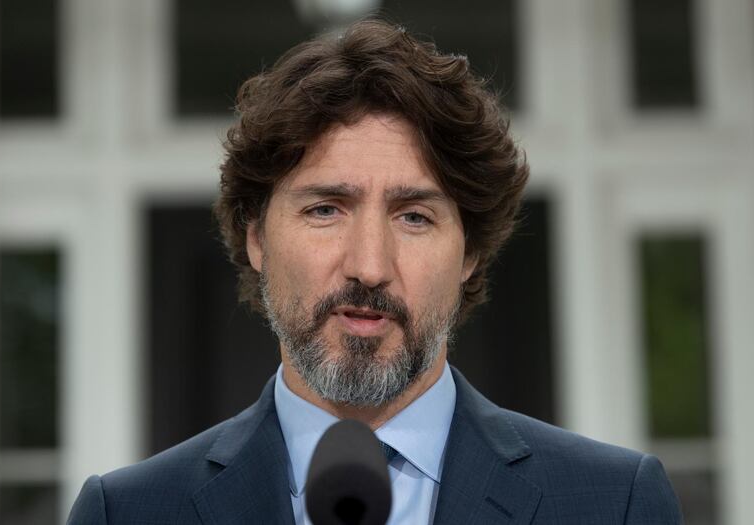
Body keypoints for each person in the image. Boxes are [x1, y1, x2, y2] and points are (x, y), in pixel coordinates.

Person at [68, 19, 683, 524]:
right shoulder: (127, 513)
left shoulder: (614, 504)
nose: (369, 266)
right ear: (256, 236)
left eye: (414, 216)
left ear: (469, 252)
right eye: (326, 209)